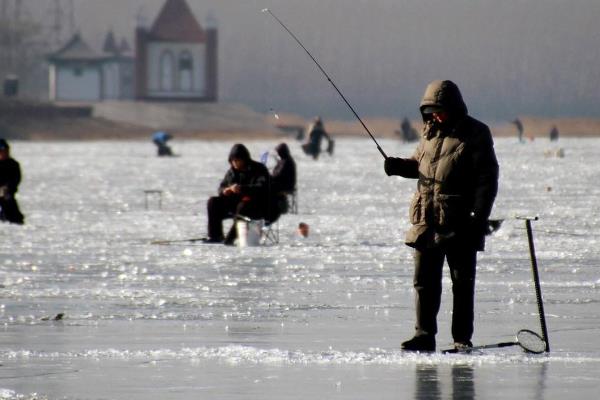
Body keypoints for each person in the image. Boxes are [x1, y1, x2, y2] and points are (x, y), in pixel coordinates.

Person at [383, 80, 499, 352]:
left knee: (462, 284)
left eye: (440, 110)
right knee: (424, 282)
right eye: (431, 111)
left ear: (454, 108)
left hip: (460, 222)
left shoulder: (476, 133)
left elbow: (487, 179)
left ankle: (461, 338)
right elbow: (421, 166)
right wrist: (398, 166)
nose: (436, 115)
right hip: (426, 220)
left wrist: (478, 218)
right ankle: (424, 335)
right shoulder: (430, 132)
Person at [205, 144, 271, 245]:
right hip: (234, 203)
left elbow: (262, 188)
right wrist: (225, 190)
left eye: (237, 160)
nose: (235, 163)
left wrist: (242, 188)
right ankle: (215, 235)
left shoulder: (259, 169)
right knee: (213, 202)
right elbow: (222, 186)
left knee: (243, 205)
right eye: (233, 161)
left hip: (255, 205)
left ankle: (230, 239)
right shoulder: (231, 172)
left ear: (244, 159)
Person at [0, 138, 25, 224]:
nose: (4, 153)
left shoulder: (13, 164)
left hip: (7, 194)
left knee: (12, 212)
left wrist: (7, 188)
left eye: (5, 151)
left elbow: (16, 179)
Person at [270, 142, 297, 215]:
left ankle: (278, 207)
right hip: (281, 183)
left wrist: (270, 177)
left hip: (286, 185)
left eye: (278, 152)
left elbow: (280, 175)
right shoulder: (283, 160)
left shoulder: (286, 162)